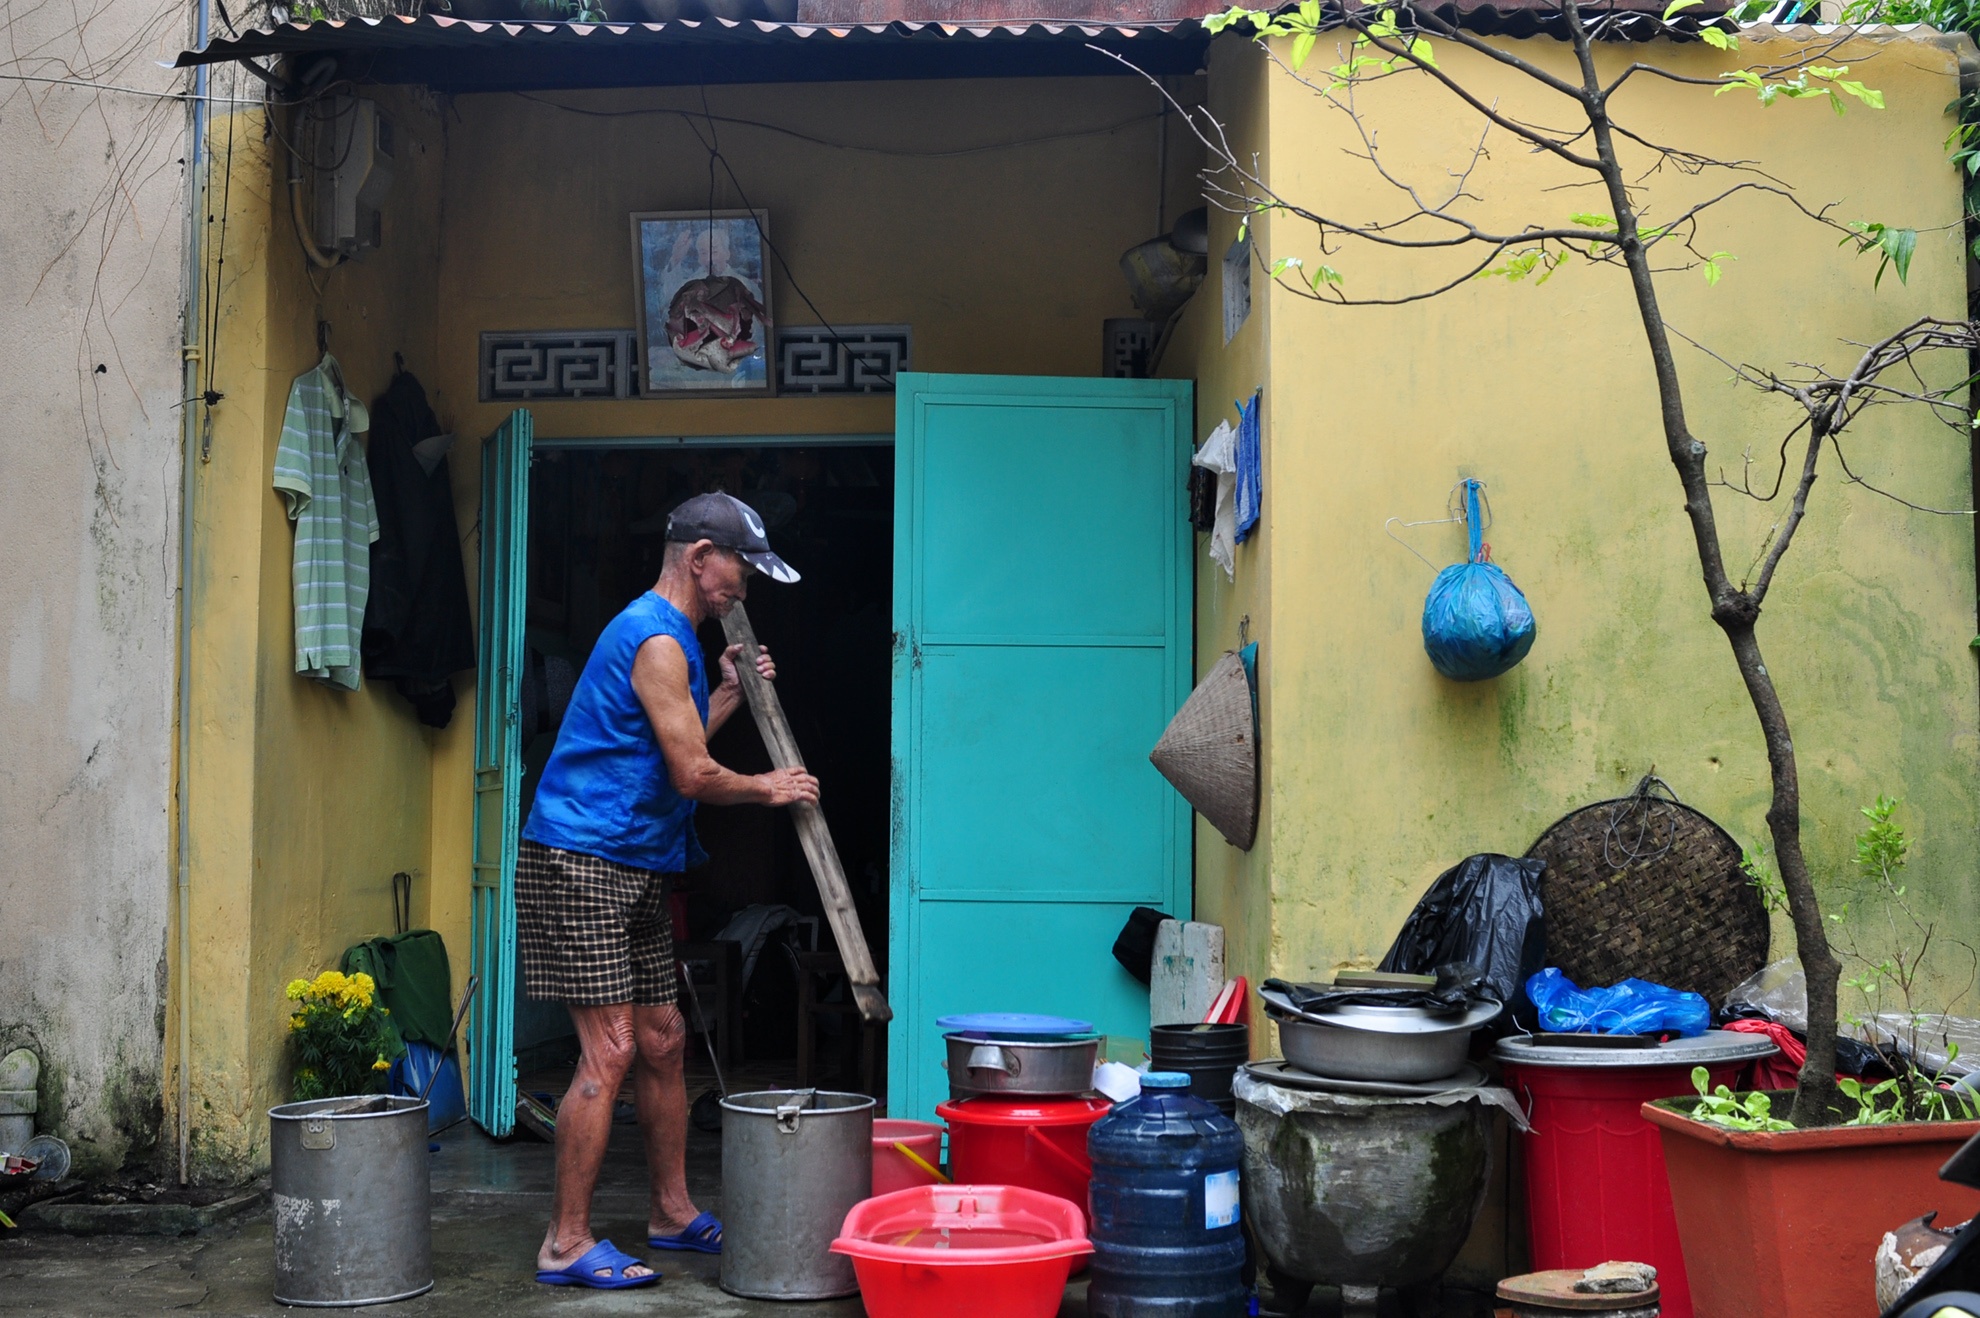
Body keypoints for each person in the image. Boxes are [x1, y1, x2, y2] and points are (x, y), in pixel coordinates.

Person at [519, 492, 820, 1290]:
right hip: (580, 859)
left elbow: (670, 743)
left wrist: (723, 692)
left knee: (662, 1040)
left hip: (637, 862)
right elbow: (691, 773)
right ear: (698, 559)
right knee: (609, 1048)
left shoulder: (677, 641)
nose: (742, 593)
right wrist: (771, 787)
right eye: (739, 573)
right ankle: (566, 1242)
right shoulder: (653, 639)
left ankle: (672, 1212)